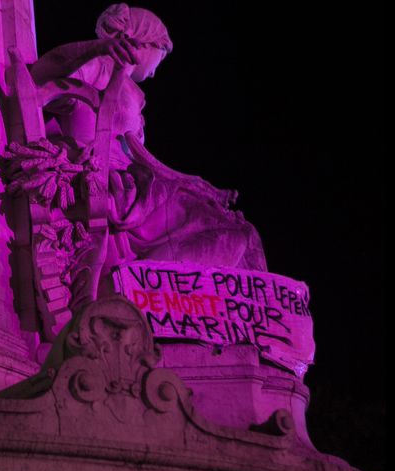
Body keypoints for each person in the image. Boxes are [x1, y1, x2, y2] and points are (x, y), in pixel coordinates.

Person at [29, 3, 267, 275]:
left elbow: (145, 158)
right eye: (159, 55)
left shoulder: (133, 92)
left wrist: (200, 186)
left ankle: (155, 287)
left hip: (135, 181)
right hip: (111, 180)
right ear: (143, 42)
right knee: (231, 233)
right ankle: (137, 283)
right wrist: (96, 49)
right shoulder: (100, 66)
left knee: (238, 233)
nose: (155, 71)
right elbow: (38, 77)